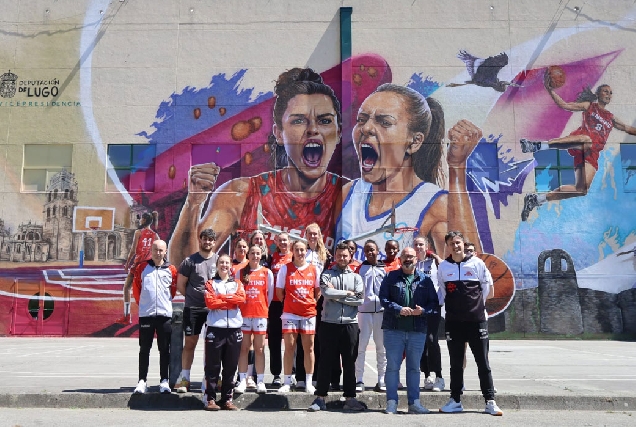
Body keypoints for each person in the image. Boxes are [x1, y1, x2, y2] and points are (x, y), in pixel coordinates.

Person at [169, 67, 344, 265]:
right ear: (279, 133)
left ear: (338, 132)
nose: (312, 129)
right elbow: (185, 266)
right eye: (298, 121)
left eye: (325, 120)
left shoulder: (348, 195)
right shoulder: (242, 194)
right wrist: (193, 204)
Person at [338, 84, 483, 256]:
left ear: (414, 142)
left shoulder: (434, 204)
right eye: (362, 120)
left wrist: (457, 166)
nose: (366, 128)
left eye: (384, 122)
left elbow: (470, 265)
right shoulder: (349, 193)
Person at [520, 79, 636, 221]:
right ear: (598, 94)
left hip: (592, 154)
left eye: (610, 93)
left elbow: (628, 128)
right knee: (588, 140)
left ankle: (536, 199)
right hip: (581, 141)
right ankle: (537, 146)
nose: (608, 94)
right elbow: (564, 105)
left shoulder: (611, 118)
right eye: (606, 91)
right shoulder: (589, 106)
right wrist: (550, 91)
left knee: (582, 190)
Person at [437, 231, 502, 416]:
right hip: (454, 323)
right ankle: (455, 401)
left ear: (463, 244)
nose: (455, 246)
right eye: (451, 243)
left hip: (476, 322)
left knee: (483, 363)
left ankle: (490, 401)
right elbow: (443, 293)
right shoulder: (443, 267)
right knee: (456, 364)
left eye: (458, 242)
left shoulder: (477, 263)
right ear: (447, 247)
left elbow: (485, 290)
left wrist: (475, 309)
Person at [379, 247, 438, 414]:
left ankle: (414, 403)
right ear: (400, 258)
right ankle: (391, 403)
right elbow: (383, 298)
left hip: (417, 330)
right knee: (392, 367)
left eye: (411, 256)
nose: (408, 259)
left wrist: (423, 311)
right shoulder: (390, 277)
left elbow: (434, 303)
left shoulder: (425, 280)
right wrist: (398, 309)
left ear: (416, 259)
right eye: (405, 256)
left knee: (414, 368)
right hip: (393, 330)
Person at [308, 242, 365, 412]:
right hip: (329, 324)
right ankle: (320, 398)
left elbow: (359, 300)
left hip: (350, 324)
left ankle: (350, 398)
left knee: (349, 362)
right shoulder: (327, 274)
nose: (342, 258)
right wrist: (347, 293)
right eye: (339, 255)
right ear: (335, 256)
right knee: (325, 361)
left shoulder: (356, 277)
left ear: (350, 257)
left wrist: (337, 295)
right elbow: (326, 293)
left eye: (345, 255)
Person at [174, 228, 219, 393]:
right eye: (204, 239)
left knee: (213, 346)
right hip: (193, 308)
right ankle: (185, 378)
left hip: (213, 310)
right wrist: (193, 297)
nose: (207, 242)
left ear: (214, 242)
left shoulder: (219, 260)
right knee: (190, 344)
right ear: (200, 240)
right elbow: (180, 285)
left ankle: (211, 378)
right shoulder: (189, 261)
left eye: (210, 239)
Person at [132, 240, 177, 395]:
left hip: (164, 316)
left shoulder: (171, 269)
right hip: (146, 315)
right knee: (144, 349)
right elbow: (136, 289)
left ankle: (164, 381)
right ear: (151, 251)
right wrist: (144, 305)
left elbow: (172, 291)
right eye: (155, 250)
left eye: (161, 250)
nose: (158, 253)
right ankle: (142, 381)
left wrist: (163, 304)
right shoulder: (142, 268)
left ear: (165, 251)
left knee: (164, 349)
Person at [276, 240, 321, 394]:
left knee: (309, 348)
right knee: (289, 347)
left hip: (308, 313)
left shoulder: (314, 269)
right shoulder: (285, 269)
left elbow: (318, 291)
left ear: (306, 251)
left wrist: (309, 303)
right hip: (290, 313)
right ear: (292, 251)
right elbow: (279, 292)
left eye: (302, 250)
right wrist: (290, 304)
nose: (300, 252)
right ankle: (287, 382)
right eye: (297, 250)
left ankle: (309, 382)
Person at [202, 254, 246, 411]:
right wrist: (229, 300)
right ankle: (210, 399)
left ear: (230, 265)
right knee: (212, 366)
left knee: (231, 366)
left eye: (227, 263)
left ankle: (227, 399)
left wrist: (221, 298)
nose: (224, 265)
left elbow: (241, 299)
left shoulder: (238, 283)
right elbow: (211, 302)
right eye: (221, 262)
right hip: (215, 329)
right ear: (217, 265)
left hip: (234, 329)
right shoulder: (210, 283)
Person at [234, 245, 274, 394]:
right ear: (248, 254)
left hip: (260, 315)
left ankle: (260, 381)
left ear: (261, 255)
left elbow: (269, 295)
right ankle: (242, 380)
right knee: (244, 348)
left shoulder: (267, 272)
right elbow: (237, 293)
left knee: (259, 348)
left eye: (258, 253)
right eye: (252, 253)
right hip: (244, 315)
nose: (255, 256)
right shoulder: (240, 272)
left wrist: (262, 308)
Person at [354, 240, 387, 393]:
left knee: (381, 348)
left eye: (372, 249)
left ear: (378, 251)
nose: (370, 252)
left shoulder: (384, 268)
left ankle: (382, 379)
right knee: (360, 347)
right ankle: (359, 379)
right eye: (367, 250)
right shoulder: (359, 269)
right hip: (363, 313)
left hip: (381, 312)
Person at [414, 236, 444, 392]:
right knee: (421, 342)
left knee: (432, 340)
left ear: (427, 247)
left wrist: (437, 257)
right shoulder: (412, 263)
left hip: (433, 306)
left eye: (421, 244)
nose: (418, 247)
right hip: (416, 307)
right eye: (416, 244)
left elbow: (444, 272)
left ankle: (439, 376)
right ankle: (427, 376)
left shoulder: (435, 262)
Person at [119, 211, 159, 324]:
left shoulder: (138, 232)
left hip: (138, 264)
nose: (140, 220)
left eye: (141, 218)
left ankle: (127, 316)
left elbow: (133, 250)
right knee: (146, 291)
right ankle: (149, 316)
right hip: (148, 265)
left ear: (144, 220)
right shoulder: (155, 235)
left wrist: (127, 263)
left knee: (127, 288)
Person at [267, 232, 293, 387]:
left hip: (290, 303)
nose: (283, 242)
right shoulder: (271, 258)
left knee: (292, 340)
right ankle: (276, 374)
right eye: (280, 240)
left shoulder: (294, 256)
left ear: (290, 242)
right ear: (276, 242)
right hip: (275, 304)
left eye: (285, 240)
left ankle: (293, 372)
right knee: (274, 339)